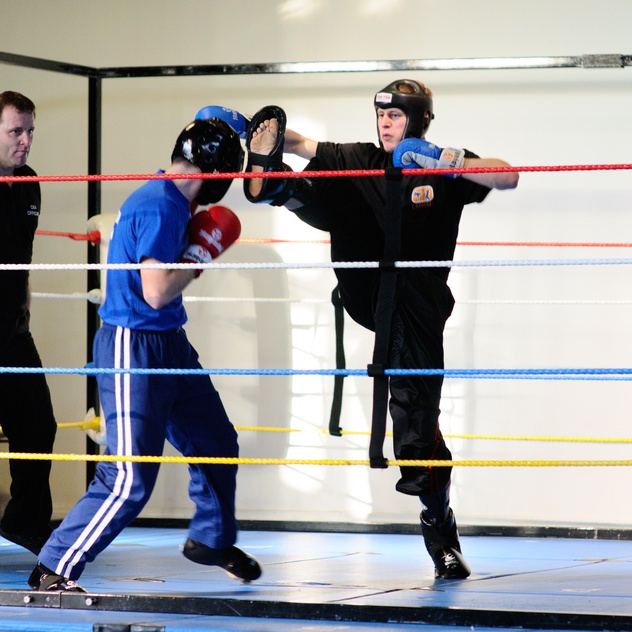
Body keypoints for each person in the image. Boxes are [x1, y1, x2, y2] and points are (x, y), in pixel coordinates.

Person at [241, 80, 519, 579]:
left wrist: (447, 160)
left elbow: (508, 176)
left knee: (416, 429)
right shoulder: (362, 156)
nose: (386, 124)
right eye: (381, 115)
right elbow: (304, 143)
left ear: (420, 120)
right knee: (340, 182)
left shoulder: (441, 166)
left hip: (415, 305)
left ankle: (438, 525)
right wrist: (261, 129)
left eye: (396, 116)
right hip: (367, 291)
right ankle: (276, 182)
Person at [28, 118, 262, 592]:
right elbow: (156, 292)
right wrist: (199, 257)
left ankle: (210, 539)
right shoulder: (158, 205)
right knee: (130, 476)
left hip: (169, 341)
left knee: (215, 440)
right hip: (132, 344)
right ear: (216, 171)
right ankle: (54, 567)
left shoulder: (174, 198)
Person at [0, 91, 57, 556]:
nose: (25, 140)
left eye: (30, 131)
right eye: (15, 131)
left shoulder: (30, 183)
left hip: (14, 331)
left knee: (39, 426)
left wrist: (25, 309)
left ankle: (25, 527)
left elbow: (23, 260)